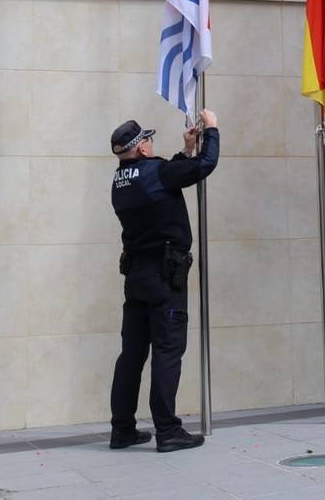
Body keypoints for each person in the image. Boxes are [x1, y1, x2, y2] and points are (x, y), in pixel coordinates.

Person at [107, 110, 219, 452]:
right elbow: (205, 165)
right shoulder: (157, 171)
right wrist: (211, 130)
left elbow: (168, 176)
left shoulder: (120, 180)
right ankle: (168, 431)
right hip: (164, 278)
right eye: (149, 140)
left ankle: (122, 429)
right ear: (141, 148)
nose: (152, 144)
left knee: (132, 355)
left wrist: (185, 150)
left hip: (136, 278)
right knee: (168, 351)